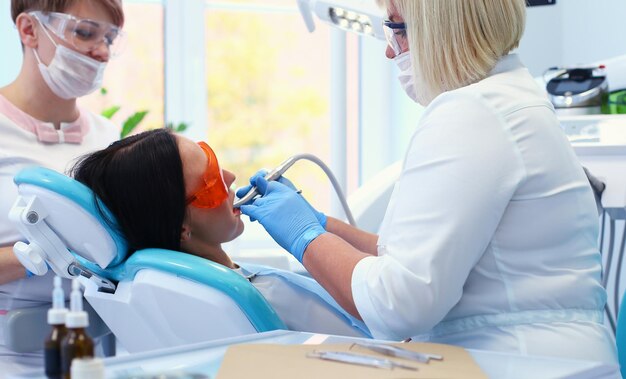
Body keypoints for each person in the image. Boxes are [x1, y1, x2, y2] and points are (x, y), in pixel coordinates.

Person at [236, 0, 618, 364]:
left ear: (442, 29)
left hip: (519, 362)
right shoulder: (509, 99)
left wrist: (305, 236)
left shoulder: (472, 113)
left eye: (396, 29)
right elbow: (410, 257)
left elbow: (399, 302)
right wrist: (323, 225)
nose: (390, 52)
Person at [69, 128, 369, 339]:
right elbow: (389, 316)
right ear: (180, 228)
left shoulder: (197, 291)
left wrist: (319, 224)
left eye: (212, 161)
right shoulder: (263, 296)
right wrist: (309, 233)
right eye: (211, 181)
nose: (230, 177)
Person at [0, 0, 125, 374]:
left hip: (94, 354)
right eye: (85, 32)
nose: (101, 51)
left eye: (110, 38)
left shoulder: (109, 138)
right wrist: (33, 253)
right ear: (28, 30)